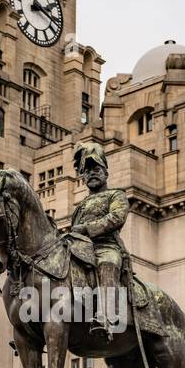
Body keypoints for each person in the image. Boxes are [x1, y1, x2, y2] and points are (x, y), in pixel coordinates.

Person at [68, 141, 129, 339]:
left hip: (106, 247)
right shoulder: (80, 205)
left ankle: (107, 318)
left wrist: (87, 229)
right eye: (87, 170)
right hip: (80, 249)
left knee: (107, 263)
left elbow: (117, 218)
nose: (91, 173)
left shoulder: (116, 195)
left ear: (106, 172)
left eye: (96, 168)